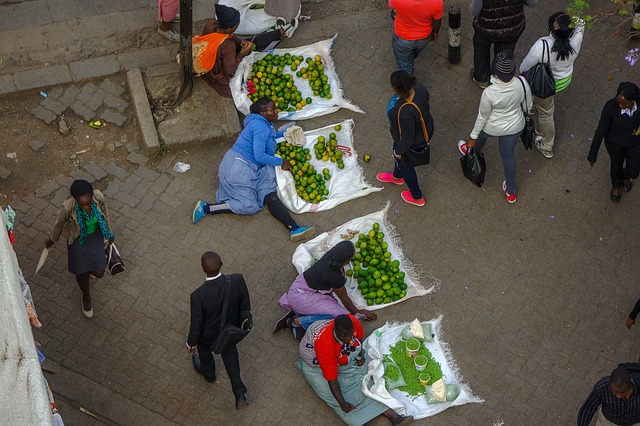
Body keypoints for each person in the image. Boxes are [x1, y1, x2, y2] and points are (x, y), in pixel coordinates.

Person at [192, 97, 315, 242]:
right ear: (263, 113)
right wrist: (282, 161)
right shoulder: (261, 126)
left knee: (269, 192)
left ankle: (294, 228)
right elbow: (260, 155)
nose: (277, 112)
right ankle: (206, 208)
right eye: (272, 110)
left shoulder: (263, 123)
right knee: (250, 206)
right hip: (237, 169)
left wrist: (284, 134)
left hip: (251, 168)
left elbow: (266, 138)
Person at [297, 314, 413, 426]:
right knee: (333, 395)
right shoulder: (325, 346)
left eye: (350, 335)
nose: (348, 339)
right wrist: (342, 403)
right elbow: (332, 380)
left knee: (363, 380)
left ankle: (394, 417)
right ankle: (360, 420)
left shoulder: (352, 321)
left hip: (337, 353)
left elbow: (358, 337)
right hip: (315, 363)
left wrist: (360, 354)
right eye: (344, 337)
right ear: (335, 331)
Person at [459, 52, 532, 204]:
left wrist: (472, 137)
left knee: (480, 137)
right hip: (515, 126)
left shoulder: (489, 93)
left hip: (492, 127)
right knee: (508, 156)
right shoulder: (522, 82)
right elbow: (529, 105)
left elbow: (482, 117)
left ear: (495, 73)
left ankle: (471, 150)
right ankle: (510, 192)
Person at [187, 251, 252, 409]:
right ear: (221, 264)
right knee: (230, 357)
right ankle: (239, 393)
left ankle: (209, 374)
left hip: (207, 337)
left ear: (203, 269)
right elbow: (245, 306)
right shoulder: (237, 280)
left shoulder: (198, 296)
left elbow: (196, 324)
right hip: (229, 331)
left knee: (205, 354)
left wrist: (191, 344)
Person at [274, 241, 377, 339]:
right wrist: (358, 313)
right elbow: (345, 299)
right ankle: (296, 322)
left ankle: (300, 311)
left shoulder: (332, 255)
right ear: (347, 261)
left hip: (298, 289)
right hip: (302, 297)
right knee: (341, 319)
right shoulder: (335, 277)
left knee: (332, 306)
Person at [45, 180, 115, 319]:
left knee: (99, 272)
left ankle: (88, 269)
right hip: (77, 240)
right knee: (81, 270)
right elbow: (59, 225)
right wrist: (52, 240)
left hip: (96, 237)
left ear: (92, 196)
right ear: (75, 200)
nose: (86, 207)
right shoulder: (68, 207)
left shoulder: (99, 197)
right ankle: (86, 296)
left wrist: (109, 233)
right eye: (82, 204)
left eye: (88, 203)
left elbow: (105, 215)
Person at [520, 12, 585, 159]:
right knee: (545, 108)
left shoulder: (542, 45)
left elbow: (525, 66)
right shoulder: (576, 39)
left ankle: (547, 145)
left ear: (551, 30)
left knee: (546, 113)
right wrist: (567, 22)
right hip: (563, 81)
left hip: (544, 85)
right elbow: (581, 22)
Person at [198, 4, 286, 98]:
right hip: (217, 74)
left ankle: (277, 34)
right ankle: (278, 34)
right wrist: (241, 54)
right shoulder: (228, 46)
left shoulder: (211, 24)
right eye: (236, 27)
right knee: (254, 52)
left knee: (250, 43)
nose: (237, 28)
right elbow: (231, 71)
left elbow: (227, 36)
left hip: (208, 59)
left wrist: (240, 41)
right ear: (228, 28)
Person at [376, 70, 434, 207]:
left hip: (413, 142)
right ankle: (397, 176)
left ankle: (417, 197)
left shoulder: (404, 111)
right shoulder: (420, 88)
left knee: (406, 165)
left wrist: (398, 152)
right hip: (427, 127)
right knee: (399, 161)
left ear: (397, 89)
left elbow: (407, 139)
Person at [587, 82, 640, 203]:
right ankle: (616, 185)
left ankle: (627, 176)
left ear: (632, 101)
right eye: (619, 102)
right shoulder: (610, 107)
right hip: (615, 143)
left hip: (635, 142)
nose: (620, 105)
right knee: (616, 164)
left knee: (634, 170)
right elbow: (601, 130)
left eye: (624, 103)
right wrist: (592, 154)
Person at [470, 0, 538, 89]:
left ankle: (482, 79)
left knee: (481, 50)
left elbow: (474, 10)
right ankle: (499, 79)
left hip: (486, 28)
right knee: (503, 56)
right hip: (511, 30)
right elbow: (533, 4)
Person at [388, 0, 443, 76]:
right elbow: (437, 22)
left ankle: (407, 84)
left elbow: (390, 4)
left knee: (405, 66)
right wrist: (435, 32)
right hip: (423, 39)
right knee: (415, 52)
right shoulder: (437, 2)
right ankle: (411, 56)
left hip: (402, 39)